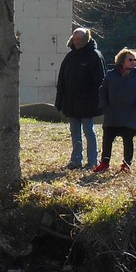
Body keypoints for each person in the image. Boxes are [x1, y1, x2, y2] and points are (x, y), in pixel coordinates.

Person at [55, 27, 106, 170]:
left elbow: (101, 81)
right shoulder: (70, 57)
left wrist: (99, 102)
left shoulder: (95, 56)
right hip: (71, 103)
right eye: (74, 39)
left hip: (88, 103)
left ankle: (92, 161)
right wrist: (60, 101)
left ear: (86, 39)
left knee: (89, 131)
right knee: (75, 131)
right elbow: (62, 81)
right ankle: (76, 160)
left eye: (79, 39)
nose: (76, 42)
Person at [93, 48, 136, 174]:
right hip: (112, 113)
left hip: (130, 114)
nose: (133, 62)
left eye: (134, 59)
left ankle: (127, 164)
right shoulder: (111, 75)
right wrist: (104, 104)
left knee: (128, 140)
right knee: (107, 139)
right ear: (122, 61)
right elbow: (103, 90)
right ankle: (104, 163)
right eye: (130, 59)